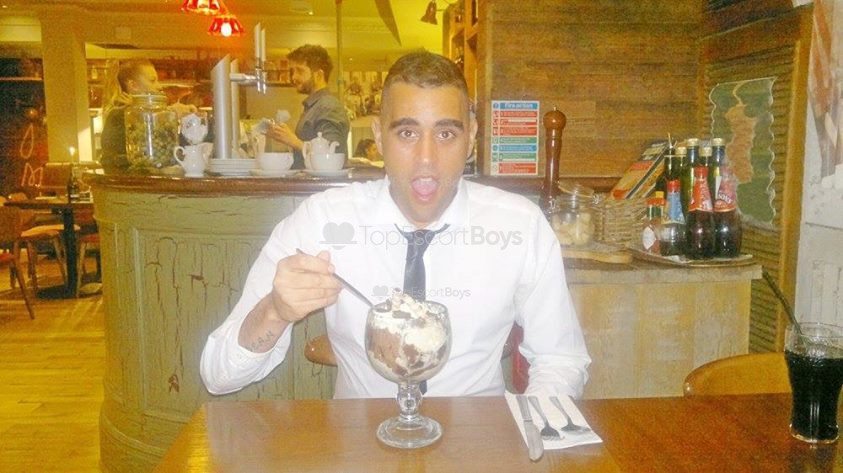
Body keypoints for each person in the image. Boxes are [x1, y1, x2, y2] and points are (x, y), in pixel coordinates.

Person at [200, 51, 590, 399]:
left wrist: (532, 431)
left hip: (476, 438)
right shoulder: (322, 220)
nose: (426, 158)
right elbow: (218, 375)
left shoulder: (519, 226)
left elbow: (560, 359)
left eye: (446, 133)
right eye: (407, 133)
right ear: (378, 137)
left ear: (471, 137)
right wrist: (274, 310)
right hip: (359, 440)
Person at [99, 59, 194, 173]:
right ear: (133, 85)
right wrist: (169, 113)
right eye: (152, 80)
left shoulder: (131, 113)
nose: (159, 86)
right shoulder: (119, 115)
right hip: (129, 182)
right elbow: (140, 159)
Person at [267, 45, 350, 169]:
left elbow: (332, 156)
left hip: (321, 182)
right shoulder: (315, 107)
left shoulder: (329, 107)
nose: (294, 77)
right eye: (293, 71)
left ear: (319, 75)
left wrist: (293, 141)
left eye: (300, 71)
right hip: (310, 180)